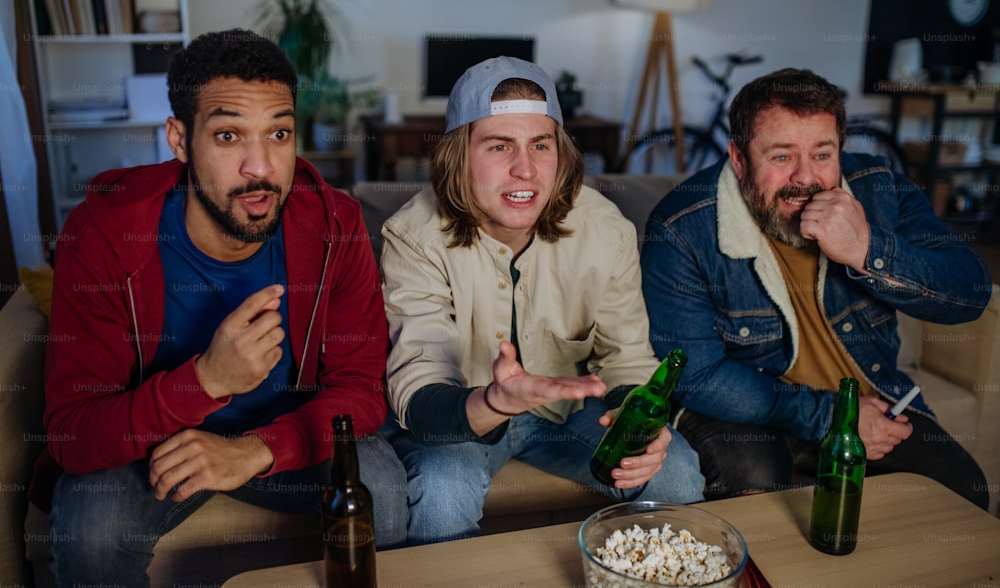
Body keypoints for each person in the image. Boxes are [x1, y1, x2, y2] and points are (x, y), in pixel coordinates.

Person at [27, 29, 407, 586]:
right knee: (93, 529)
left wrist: (253, 450)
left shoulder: (336, 224)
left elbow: (361, 391)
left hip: (282, 437)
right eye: (229, 135)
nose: (261, 166)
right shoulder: (104, 233)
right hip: (156, 447)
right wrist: (204, 381)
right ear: (179, 140)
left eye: (279, 133)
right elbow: (73, 432)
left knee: (384, 491)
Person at [378, 56, 704, 545]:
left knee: (675, 470)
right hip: (466, 418)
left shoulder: (605, 228)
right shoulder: (412, 235)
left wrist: (637, 420)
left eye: (540, 144)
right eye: (499, 145)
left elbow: (627, 357)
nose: (525, 169)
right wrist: (494, 400)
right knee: (443, 491)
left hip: (569, 420)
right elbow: (417, 386)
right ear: (458, 154)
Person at [640, 67, 992, 507]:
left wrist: (868, 251)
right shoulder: (680, 228)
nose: (806, 179)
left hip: (866, 403)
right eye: (782, 157)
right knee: (756, 493)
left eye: (823, 155)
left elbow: (971, 293)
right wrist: (833, 417)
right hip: (744, 415)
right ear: (738, 157)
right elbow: (696, 375)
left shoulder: (880, 189)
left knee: (961, 491)